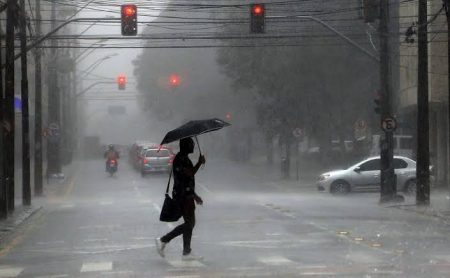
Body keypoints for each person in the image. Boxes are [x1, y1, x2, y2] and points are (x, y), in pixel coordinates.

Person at [155, 137, 205, 260]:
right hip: (182, 196)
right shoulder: (179, 159)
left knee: (190, 223)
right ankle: (164, 240)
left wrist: (195, 195)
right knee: (189, 224)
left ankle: (186, 251)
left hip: (187, 195)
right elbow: (189, 173)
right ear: (185, 146)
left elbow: (188, 180)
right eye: (191, 144)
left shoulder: (185, 158)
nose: (193, 146)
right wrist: (199, 162)